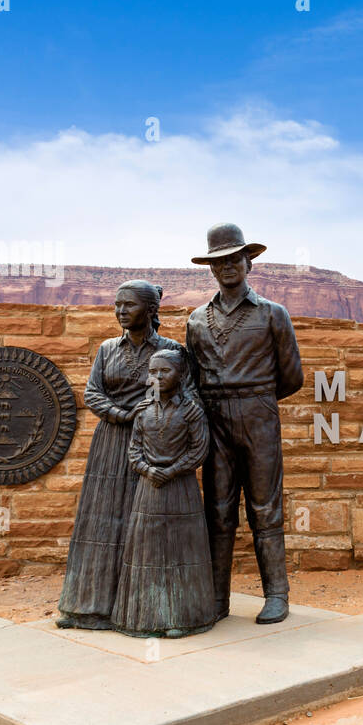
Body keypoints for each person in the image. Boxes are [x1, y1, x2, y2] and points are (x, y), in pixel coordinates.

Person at [185, 222, 303, 625]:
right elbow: (193, 376)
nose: (227, 266)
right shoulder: (196, 319)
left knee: (265, 508)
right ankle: (218, 599)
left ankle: (276, 595)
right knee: (216, 511)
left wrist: (256, 401)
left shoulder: (273, 314)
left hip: (258, 417)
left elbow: (292, 377)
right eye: (219, 261)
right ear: (211, 268)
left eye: (234, 258)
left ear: (248, 261)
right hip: (214, 420)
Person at [56, 281, 189, 630]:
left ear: (150, 310)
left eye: (128, 305)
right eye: (117, 305)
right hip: (109, 444)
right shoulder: (106, 349)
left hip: (152, 444)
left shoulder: (172, 350)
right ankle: (89, 607)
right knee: (100, 523)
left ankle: (148, 612)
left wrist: (147, 419)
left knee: (145, 525)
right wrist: (122, 415)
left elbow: (186, 399)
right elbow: (92, 392)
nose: (120, 311)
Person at [112, 350, 215, 638]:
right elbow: (134, 450)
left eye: (164, 371)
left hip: (181, 490)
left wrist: (171, 471)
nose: (157, 377)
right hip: (149, 491)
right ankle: (143, 617)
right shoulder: (143, 410)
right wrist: (147, 469)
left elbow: (199, 450)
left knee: (180, 551)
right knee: (148, 550)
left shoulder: (192, 411)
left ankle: (183, 617)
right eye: (153, 372)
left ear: (180, 375)